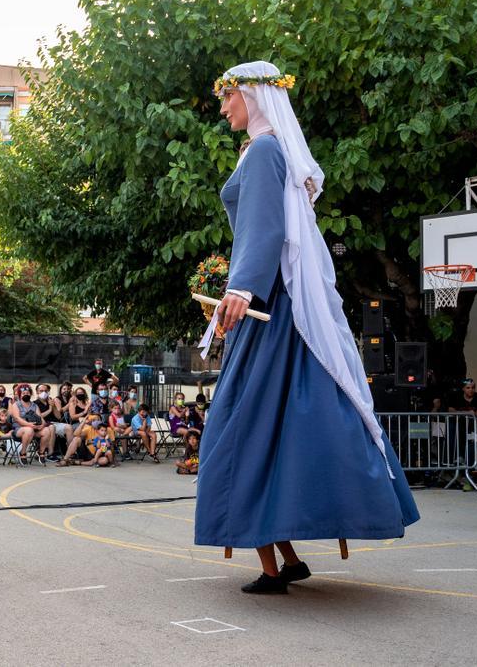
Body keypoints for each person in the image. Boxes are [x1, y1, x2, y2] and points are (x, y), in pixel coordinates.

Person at [196, 62, 418, 595]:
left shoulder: (266, 149)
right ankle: (284, 559)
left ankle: (277, 565)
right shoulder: (266, 151)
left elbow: (265, 227)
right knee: (264, 432)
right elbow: (263, 229)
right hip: (272, 309)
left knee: (242, 432)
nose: (223, 106)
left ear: (252, 96)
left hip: (268, 313)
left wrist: (241, 287)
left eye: (229, 96)